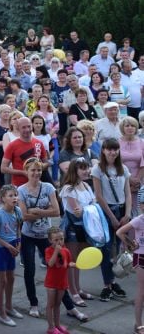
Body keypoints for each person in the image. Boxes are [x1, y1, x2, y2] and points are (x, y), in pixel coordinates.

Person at [17, 158, 62, 318]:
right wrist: (45, 209)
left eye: (39, 170)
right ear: (26, 172)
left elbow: (57, 211)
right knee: (30, 270)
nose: (36, 173)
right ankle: (33, 303)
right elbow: (24, 216)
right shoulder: (21, 190)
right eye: (32, 170)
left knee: (57, 266)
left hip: (46, 235)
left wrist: (38, 211)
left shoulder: (48, 187)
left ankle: (67, 303)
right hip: (28, 235)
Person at [92, 138, 130, 302]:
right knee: (106, 249)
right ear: (104, 151)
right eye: (109, 149)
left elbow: (127, 193)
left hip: (122, 210)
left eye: (115, 149)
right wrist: (113, 217)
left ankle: (114, 281)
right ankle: (107, 284)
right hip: (107, 210)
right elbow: (99, 196)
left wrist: (127, 214)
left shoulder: (123, 168)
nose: (113, 152)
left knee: (118, 249)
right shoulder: (98, 169)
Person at [0, 185, 23, 327]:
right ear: (3, 198)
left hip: (12, 247)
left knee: (11, 278)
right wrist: (8, 246)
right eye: (10, 195)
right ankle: (2, 313)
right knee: (1, 281)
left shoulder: (18, 211)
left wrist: (18, 244)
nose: (14, 197)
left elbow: (19, 230)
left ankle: (9, 306)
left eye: (15, 194)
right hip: (1, 249)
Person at [116, 189, 144, 334]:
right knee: (141, 291)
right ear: (141, 205)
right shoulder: (139, 219)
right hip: (141, 257)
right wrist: (130, 245)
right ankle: (139, 325)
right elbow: (119, 232)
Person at [1, 117, 49, 188]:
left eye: (29, 126)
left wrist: (40, 167)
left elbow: (46, 163)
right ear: (18, 129)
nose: (27, 129)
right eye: (23, 127)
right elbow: (3, 168)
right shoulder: (12, 145)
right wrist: (23, 173)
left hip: (37, 185)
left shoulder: (39, 143)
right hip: (19, 186)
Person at [45, 227, 75, 334]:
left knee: (58, 304)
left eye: (61, 239)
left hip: (62, 282)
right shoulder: (48, 250)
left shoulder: (66, 251)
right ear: (50, 240)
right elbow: (51, 263)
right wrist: (56, 251)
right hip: (51, 282)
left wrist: (72, 265)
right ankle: (50, 327)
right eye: (56, 240)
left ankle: (57, 325)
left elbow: (67, 263)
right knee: (50, 304)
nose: (59, 242)